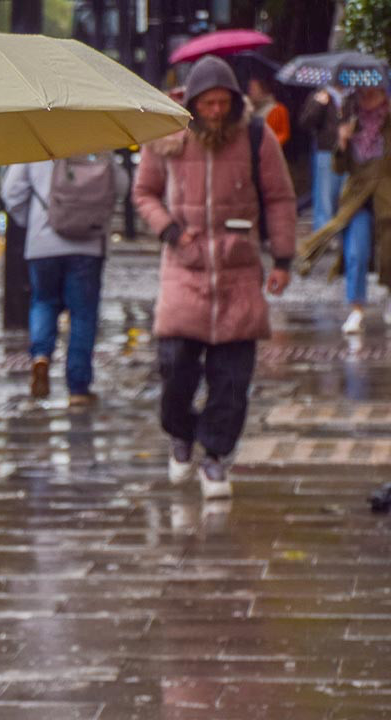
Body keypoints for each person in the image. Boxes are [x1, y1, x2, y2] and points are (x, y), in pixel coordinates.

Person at [132, 55, 296, 500]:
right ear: (194, 100)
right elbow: (143, 192)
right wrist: (168, 229)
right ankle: (181, 434)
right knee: (175, 369)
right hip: (184, 269)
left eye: (224, 103)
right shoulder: (165, 134)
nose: (217, 111)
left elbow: (280, 199)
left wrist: (282, 260)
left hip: (239, 273)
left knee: (232, 380)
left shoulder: (257, 136)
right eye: (209, 104)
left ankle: (216, 456)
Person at [1, 156, 125, 406]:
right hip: (88, 243)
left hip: (42, 243)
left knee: (43, 302)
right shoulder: (96, 137)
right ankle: (78, 389)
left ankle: (41, 356)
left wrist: (33, 220)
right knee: (83, 315)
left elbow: (10, 191)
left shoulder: (37, 140)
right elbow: (121, 185)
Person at [304, 84, 391, 334]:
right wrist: (342, 142)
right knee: (356, 252)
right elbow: (339, 168)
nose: (367, 98)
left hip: (386, 196)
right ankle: (356, 308)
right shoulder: (352, 123)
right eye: (363, 93)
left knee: (388, 252)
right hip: (356, 198)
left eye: (372, 93)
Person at [298, 85, 349, 233]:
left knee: (345, 194)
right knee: (324, 196)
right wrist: (319, 104)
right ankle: (324, 234)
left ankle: (342, 232)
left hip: (348, 152)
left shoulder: (353, 96)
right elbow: (306, 121)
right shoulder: (320, 95)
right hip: (326, 151)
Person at [247, 72, 291, 148]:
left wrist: (270, 145)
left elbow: (284, 133)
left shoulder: (278, 109)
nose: (250, 92)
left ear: (263, 90)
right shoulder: (247, 108)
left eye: (253, 89)